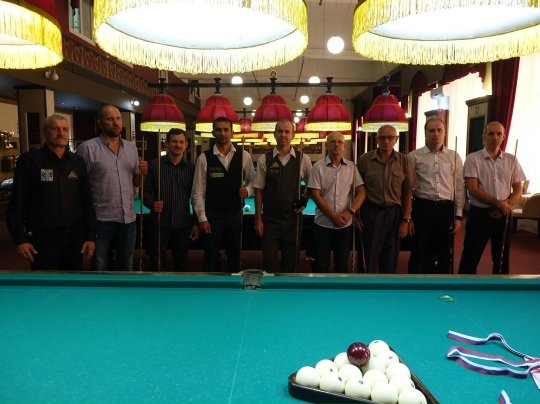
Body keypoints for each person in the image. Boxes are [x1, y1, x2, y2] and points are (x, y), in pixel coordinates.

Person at [6, 115, 96, 270]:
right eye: (55, 129)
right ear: (45, 133)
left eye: (65, 129)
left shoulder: (78, 162)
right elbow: (17, 204)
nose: (61, 133)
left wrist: (90, 236)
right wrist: (19, 239)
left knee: (73, 280)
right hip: (42, 236)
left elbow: (87, 202)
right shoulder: (29, 160)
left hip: (74, 236)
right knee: (44, 281)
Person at [77, 105, 148, 271]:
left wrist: (143, 173)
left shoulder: (131, 148)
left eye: (118, 118)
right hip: (101, 219)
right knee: (99, 266)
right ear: (100, 123)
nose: (116, 123)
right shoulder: (87, 148)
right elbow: (80, 186)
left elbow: (136, 182)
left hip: (128, 218)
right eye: (110, 119)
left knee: (126, 266)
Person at [458, 121, 526, 275]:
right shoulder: (473, 158)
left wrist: (505, 207)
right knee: (470, 257)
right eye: (491, 134)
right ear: (483, 137)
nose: (495, 137)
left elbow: (518, 188)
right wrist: (499, 204)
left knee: (501, 258)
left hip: (504, 214)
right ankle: (465, 287)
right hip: (479, 214)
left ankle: (501, 288)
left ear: (503, 137)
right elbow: (473, 189)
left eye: (498, 134)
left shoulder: (512, 160)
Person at [191, 117, 255, 272]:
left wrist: (247, 190)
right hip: (213, 215)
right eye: (218, 130)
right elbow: (197, 191)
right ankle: (211, 285)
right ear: (213, 132)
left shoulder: (244, 156)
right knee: (211, 257)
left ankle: (235, 286)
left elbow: (253, 181)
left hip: (235, 214)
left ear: (232, 132)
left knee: (235, 256)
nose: (222, 133)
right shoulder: (204, 158)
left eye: (226, 129)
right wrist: (202, 219)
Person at [356, 124, 418, 273]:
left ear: (396, 139)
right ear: (377, 140)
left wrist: (405, 220)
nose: (386, 141)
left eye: (390, 138)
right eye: (382, 138)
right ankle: (365, 286)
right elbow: (356, 190)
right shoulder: (364, 160)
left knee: (390, 261)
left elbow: (407, 192)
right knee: (368, 260)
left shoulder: (404, 160)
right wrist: (356, 215)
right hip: (371, 213)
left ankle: (387, 288)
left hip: (394, 215)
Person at [253, 119, 312, 273]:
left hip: (293, 220)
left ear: (293, 135)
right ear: (274, 134)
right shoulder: (264, 159)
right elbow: (259, 189)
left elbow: (312, 185)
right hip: (270, 220)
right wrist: (258, 218)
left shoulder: (303, 159)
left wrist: (305, 199)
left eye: (287, 132)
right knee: (269, 263)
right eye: (280, 131)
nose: (283, 135)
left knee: (291, 265)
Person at [407, 119, 464, 274]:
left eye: (439, 130)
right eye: (431, 130)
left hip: (446, 209)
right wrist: (408, 217)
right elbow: (407, 189)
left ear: (444, 133)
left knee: (444, 252)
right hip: (422, 207)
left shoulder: (454, 156)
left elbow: (459, 187)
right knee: (419, 251)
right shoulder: (414, 156)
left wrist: (458, 216)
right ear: (425, 133)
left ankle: (443, 285)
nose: (436, 134)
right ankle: (413, 285)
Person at [308, 131, 366, 273]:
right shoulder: (318, 167)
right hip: (323, 224)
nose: (336, 145)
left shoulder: (352, 167)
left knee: (342, 265)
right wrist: (332, 216)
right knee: (321, 264)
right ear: (326, 145)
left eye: (340, 142)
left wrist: (350, 212)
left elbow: (362, 192)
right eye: (332, 142)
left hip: (345, 225)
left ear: (345, 146)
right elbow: (315, 195)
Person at [143, 128, 198, 271]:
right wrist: (152, 204)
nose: (178, 145)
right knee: (156, 263)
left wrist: (196, 222)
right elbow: (144, 192)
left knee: (181, 264)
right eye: (174, 141)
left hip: (182, 223)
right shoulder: (155, 165)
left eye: (181, 142)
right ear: (166, 143)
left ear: (186, 144)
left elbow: (196, 197)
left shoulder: (192, 168)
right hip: (159, 223)